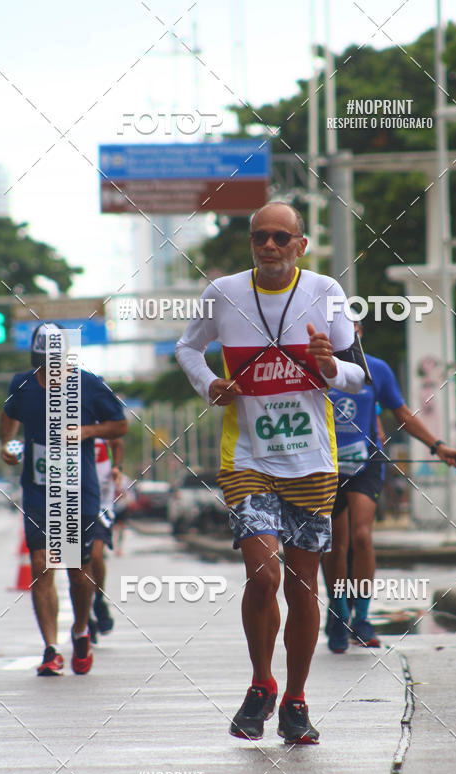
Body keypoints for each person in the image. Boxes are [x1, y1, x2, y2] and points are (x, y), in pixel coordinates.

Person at [175, 201, 365, 744]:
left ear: (301, 244)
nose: (270, 246)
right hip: (248, 458)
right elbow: (187, 348)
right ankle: (262, 682)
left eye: (282, 237)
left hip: (312, 462)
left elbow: (359, 376)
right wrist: (210, 383)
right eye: (260, 236)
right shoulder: (224, 293)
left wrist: (330, 365)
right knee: (264, 575)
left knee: (304, 586)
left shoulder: (326, 291)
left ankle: (297, 700)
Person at [322, 326, 456, 653]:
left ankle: (362, 617)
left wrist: (438, 446)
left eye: (351, 324)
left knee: (361, 535)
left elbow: (401, 413)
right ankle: (338, 610)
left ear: (359, 331)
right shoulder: (314, 368)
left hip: (365, 462)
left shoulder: (377, 369)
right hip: (326, 464)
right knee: (336, 540)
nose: (344, 331)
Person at [0, 323, 128, 675]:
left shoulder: (88, 384)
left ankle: (81, 629)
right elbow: (8, 418)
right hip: (39, 489)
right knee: (41, 564)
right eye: (43, 361)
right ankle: (51, 649)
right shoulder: (22, 385)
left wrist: (87, 431)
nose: (50, 368)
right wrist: (9, 447)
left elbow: (120, 425)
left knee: (76, 570)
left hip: (76, 490)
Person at [88, 437, 124, 641]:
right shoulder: (60, 418)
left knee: (95, 555)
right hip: (68, 504)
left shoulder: (100, 420)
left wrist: (116, 467)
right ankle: (83, 621)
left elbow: (118, 440)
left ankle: (98, 598)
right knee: (75, 567)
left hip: (99, 505)